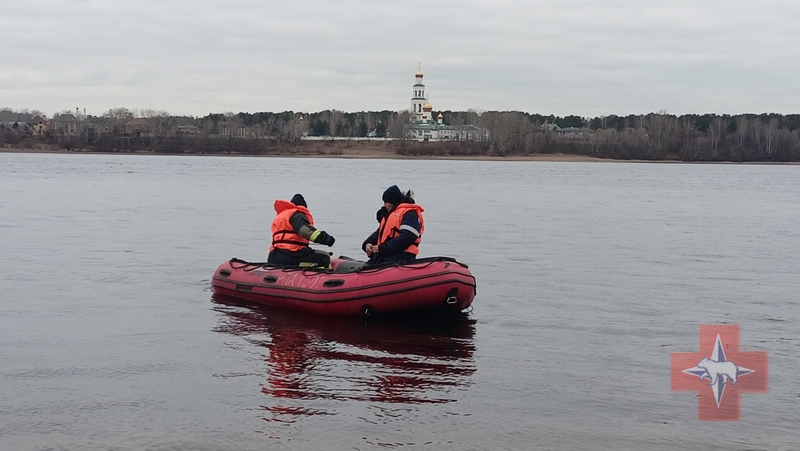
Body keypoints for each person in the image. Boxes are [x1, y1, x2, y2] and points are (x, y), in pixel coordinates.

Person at [268, 193, 335, 268]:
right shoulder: (297, 215)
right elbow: (306, 232)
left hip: (274, 256)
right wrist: (326, 239)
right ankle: (321, 278)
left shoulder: (281, 216)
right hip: (290, 255)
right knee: (324, 258)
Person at [362, 185, 424, 264]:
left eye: (386, 202)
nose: (384, 205)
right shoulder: (389, 214)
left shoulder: (409, 214)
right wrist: (368, 243)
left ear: (393, 202)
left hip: (402, 257)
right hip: (386, 256)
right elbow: (380, 233)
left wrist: (382, 249)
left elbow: (407, 237)